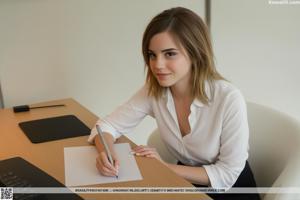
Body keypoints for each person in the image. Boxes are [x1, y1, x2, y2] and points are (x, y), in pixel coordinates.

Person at [88, 7, 260, 200]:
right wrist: (107, 154)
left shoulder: (228, 98)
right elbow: (106, 126)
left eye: (169, 54)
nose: (157, 65)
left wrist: (164, 167)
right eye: (152, 55)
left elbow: (227, 174)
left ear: (195, 53)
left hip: (231, 190)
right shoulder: (154, 90)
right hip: (183, 182)